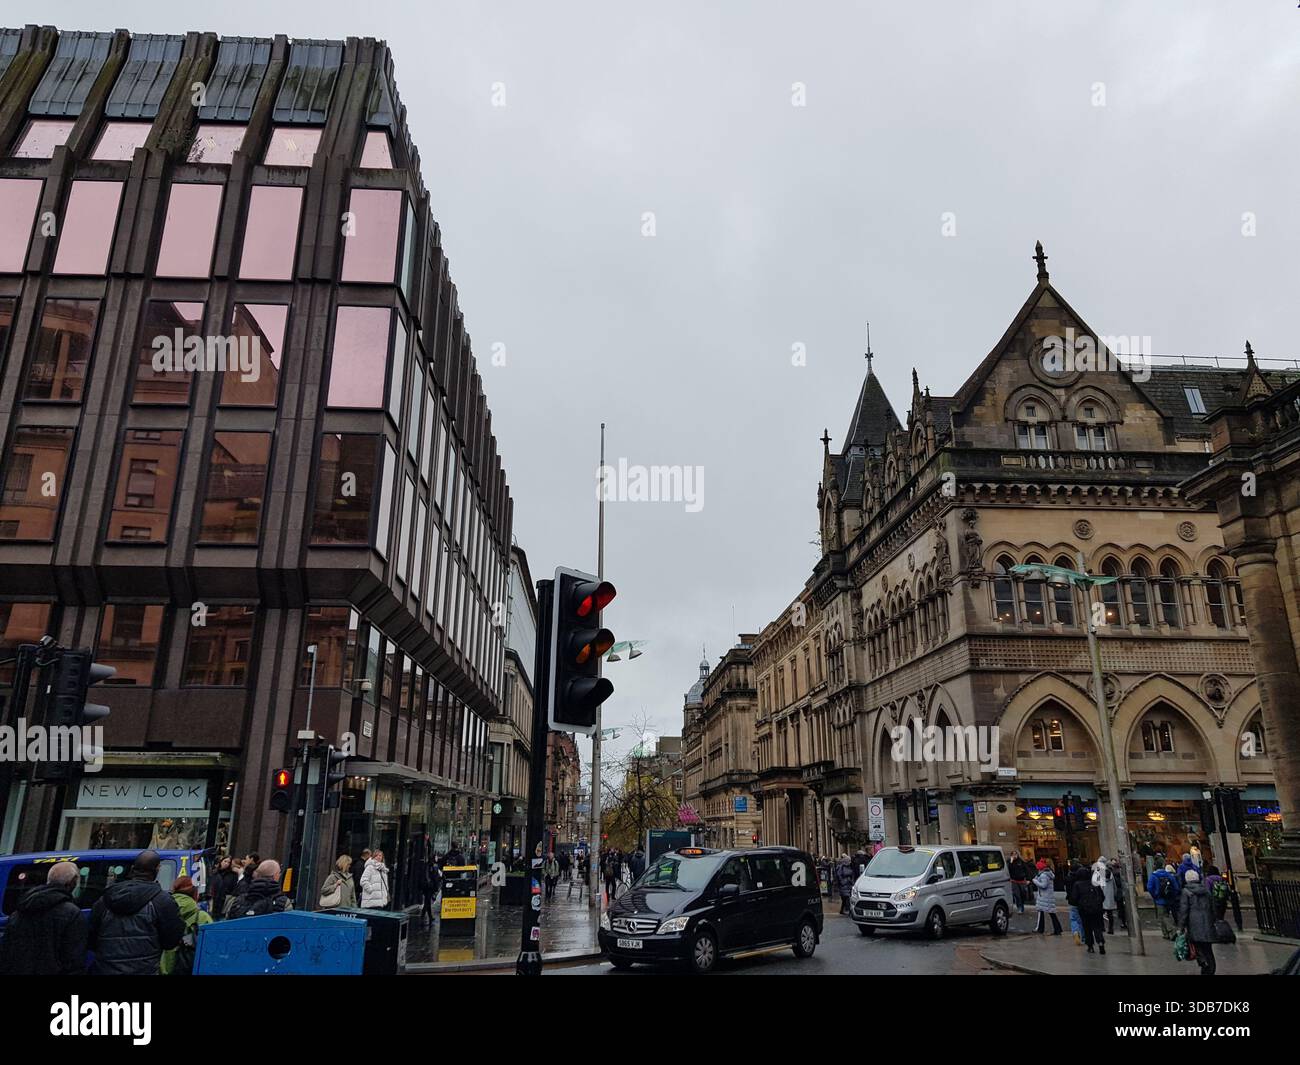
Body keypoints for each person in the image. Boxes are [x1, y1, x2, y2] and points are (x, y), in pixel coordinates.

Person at [87, 850, 185, 975]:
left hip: (105, 968)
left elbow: (90, 937)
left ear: (133, 869)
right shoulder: (162, 901)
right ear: (157, 870)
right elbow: (171, 941)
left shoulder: (106, 899)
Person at [0, 859, 87, 975]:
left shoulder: (21, 909)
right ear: (72, 882)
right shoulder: (71, 914)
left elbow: (7, 951)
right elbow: (74, 959)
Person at [160, 876, 211, 975]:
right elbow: (211, 947)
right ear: (195, 893)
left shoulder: (160, 910)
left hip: (161, 967)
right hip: (191, 967)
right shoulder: (202, 917)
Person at [1177, 869, 1217, 976]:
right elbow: (1213, 908)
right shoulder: (1206, 891)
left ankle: (1204, 964)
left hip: (1194, 924)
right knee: (1208, 949)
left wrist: (1180, 926)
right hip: (1207, 923)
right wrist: (1213, 920)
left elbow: (1184, 910)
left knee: (1197, 946)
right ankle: (1210, 968)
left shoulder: (1186, 892)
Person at [1147, 862, 1182, 940]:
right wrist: (1172, 895)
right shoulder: (1168, 875)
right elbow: (1176, 887)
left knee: (1163, 916)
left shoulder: (1153, 876)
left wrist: (1155, 895)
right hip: (1169, 899)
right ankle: (1166, 934)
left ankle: (1172, 930)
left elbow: (1149, 887)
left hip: (1159, 899)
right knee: (1165, 915)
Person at [1078, 863, 1106, 955]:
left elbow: (1074, 898)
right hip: (1096, 909)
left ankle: (1090, 946)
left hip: (1084, 910)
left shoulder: (1078, 885)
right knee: (1097, 927)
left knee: (1087, 928)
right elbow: (1102, 896)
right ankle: (1101, 942)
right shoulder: (1095, 883)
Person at [1033, 859, 1062, 934]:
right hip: (1047, 896)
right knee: (1050, 913)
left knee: (1047, 912)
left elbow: (1043, 885)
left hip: (1044, 896)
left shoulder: (1044, 875)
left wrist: (1035, 881)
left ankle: (1042, 929)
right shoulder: (1046, 873)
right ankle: (1057, 929)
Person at [1064, 860, 1090, 944]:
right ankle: (1083, 936)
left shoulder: (1068, 879)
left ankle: (1075, 931)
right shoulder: (1082, 880)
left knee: (1073, 918)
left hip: (1072, 901)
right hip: (1082, 901)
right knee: (1082, 919)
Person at [210, 856, 238, 921]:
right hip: (213, 899)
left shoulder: (233, 875)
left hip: (224, 900)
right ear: (221, 862)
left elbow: (233, 888)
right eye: (225, 861)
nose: (226, 863)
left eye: (229, 862)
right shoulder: (214, 873)